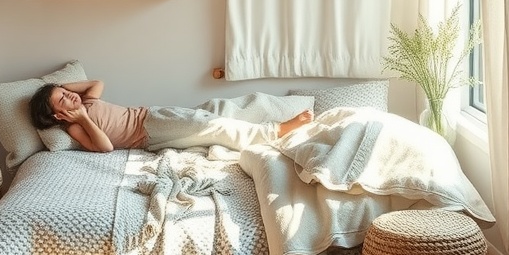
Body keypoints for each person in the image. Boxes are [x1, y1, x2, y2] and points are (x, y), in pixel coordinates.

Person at [29, 79, 313, 154]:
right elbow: (105, 147)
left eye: (67, 92)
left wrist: (63, 87)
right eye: (62, 100)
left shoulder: (88, 100)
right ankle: (273, 131)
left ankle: (265, 115)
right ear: (58, 114)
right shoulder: (76, 129)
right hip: (149, 133)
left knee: (212, 110)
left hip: (152, 114)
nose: (70, 97)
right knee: (208, 125)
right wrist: (80, 117)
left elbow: (97, 83)